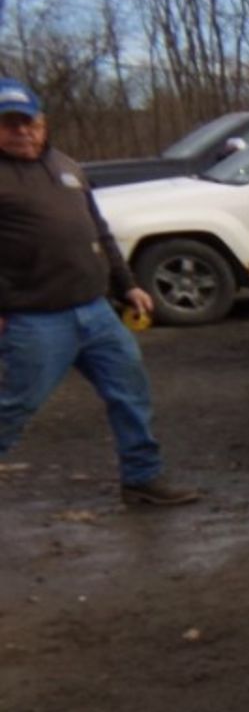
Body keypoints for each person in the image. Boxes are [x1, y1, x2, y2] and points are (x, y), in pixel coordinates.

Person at [0, 77, 199, 505]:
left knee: (130, 392)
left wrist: (127, 286)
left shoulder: (68, 167)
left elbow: (100, 232)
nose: (21, 132)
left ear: (43, 122)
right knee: (15, 406)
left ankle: (142, 479)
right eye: (9, 124)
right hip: (34, 318)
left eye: (28, 122)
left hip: (95, 312)